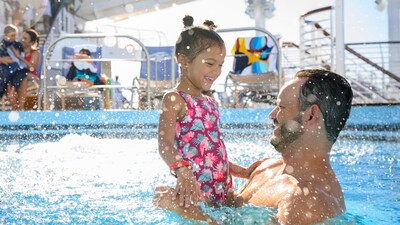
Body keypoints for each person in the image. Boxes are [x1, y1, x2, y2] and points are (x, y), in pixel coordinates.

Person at [154, 69, 354, 225]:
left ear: (311, 115)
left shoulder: (310, 201)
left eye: (281, 107)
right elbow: (228, 210)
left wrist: (187, 213)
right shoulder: (265, 168)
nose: (272, 115)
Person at [157, 15, 251, 210]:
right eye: (210, 63)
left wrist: (242, 171)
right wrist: (182, 171)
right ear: (183, 60)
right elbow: (165, 145)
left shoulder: (211, 103)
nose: (216, 71)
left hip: (223, 191)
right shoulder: (175, 99)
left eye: (220, 65)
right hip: (193, 192)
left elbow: (211, 150)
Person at [8, 28, 41, 110]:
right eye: (22, 37)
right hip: (17, 74)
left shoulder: (35, 53)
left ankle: (21, 107)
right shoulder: (17, 48)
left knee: (24, 77)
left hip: (30, 75)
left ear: (32, 42)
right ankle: (14, 106)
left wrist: (18, 56)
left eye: (25, 38)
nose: (22, 40)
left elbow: (32, 68)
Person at [0, 24, 29, 110]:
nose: (14, 37)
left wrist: (17, 55)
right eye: (12, 35)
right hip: (5, 68)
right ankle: (14, 103)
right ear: (6, 35)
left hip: (16, 69)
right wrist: (2, 60)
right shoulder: (2, 45)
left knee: (19, 73)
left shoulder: (17, 45)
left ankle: (13, 95)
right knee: (7, 76)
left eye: (15, 35)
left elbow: (21, 58)